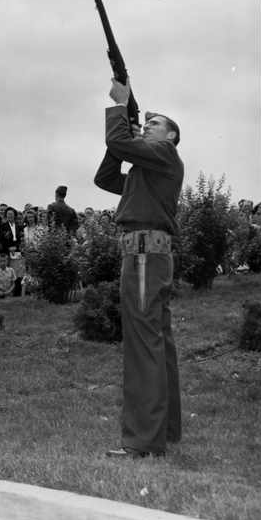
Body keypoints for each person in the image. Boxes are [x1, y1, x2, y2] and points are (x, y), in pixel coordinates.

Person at [94, 76, 184, 459]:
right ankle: (165, 429)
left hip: (145, 256)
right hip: (147, 254)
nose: (147, 126)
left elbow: (117, 143)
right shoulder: (146, 171)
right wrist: (127, 139)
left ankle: (143, 441)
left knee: (143, 344)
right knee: (157, 342)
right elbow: (105, 178)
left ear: (171, 137)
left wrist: (120, 108)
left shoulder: (164, 155)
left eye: (154, 124)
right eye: (144, 123)